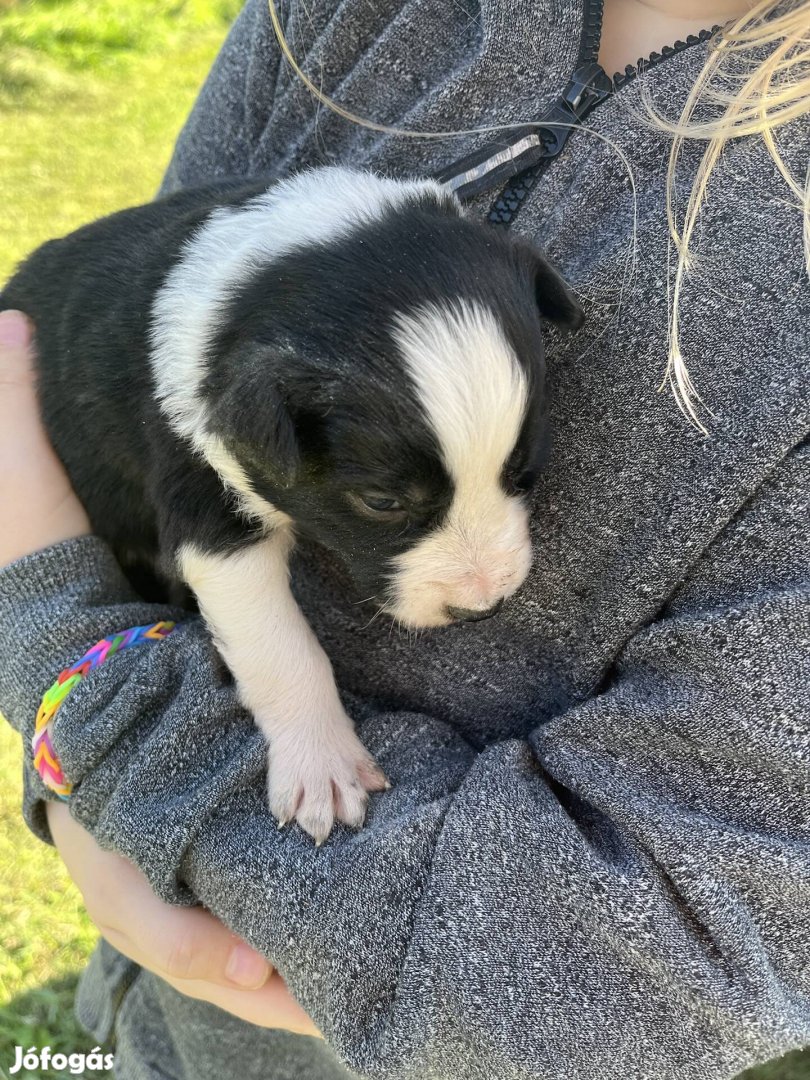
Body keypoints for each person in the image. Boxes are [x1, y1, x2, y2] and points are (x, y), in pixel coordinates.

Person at [1, 0, 808, 1077]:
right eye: (397, 505)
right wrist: (119, 761)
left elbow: (580, 990)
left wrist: (82, 689)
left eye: (517, 475)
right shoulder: (329, 32)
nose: (490, 569)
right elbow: (207, 533)